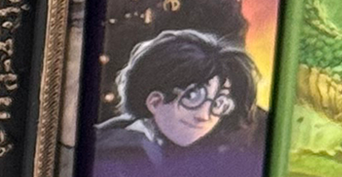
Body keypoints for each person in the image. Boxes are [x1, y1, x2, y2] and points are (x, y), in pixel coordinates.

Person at [92, 27, 259, 164]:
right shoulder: (121, 155)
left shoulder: (161, 149)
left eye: (218, 103)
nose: (204, 116)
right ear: (155, 101)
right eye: (192, 96)